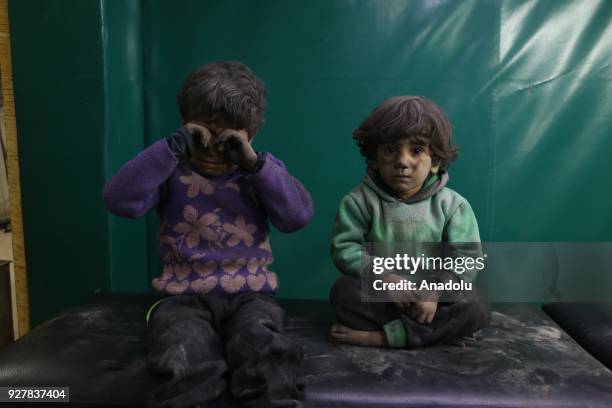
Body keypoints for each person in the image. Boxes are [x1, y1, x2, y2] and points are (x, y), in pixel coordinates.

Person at [103, 61, 313, 408]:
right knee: (181, 352)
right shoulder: (170, 170)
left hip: (251, 297)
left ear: (250, 135)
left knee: (265, 349)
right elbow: (119, 201)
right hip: (183, 298)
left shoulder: (259, 171)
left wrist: (254, 164)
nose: (214, 150)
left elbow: (297, 217)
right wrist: (170, 148)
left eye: (228, 139)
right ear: (186, 126)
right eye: (203, 135)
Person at [329, 95, 490, 349]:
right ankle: (436, 333)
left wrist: (435, 291)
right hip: (386, 297)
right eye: (391, 150)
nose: (402, 161)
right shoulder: (359, 200)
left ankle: (384, 338)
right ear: (375, 157)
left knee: (476, 305)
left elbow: (466, 259)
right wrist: (383, 277)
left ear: (435, 161)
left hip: (434, 300)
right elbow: (344, 248)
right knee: (343, 292)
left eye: (416, 150)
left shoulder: (453, 205)